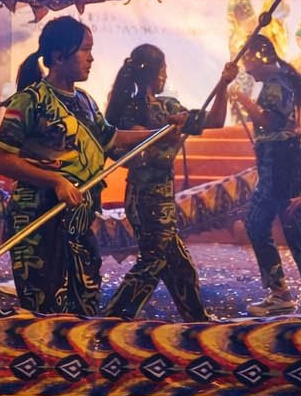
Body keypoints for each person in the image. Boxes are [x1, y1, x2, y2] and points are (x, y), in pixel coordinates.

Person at [0, 16, 155, 396]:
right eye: (84, 50)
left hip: (78, 225)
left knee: (79, 323)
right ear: (58, 56)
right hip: (37, 225)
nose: (91, 57)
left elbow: (109, 140)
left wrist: (157, 134)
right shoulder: (30, 102)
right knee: (44, 329)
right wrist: (55, 180)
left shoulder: (82, 101)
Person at [101, 45, 237, 322]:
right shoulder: (128, 111)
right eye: (163, 68)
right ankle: (113, 319)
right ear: (156, 72)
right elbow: (128, 153)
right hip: (145, 197)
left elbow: (216, 120)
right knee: (153, 261)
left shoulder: (170, 107)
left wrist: (223, 85)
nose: (165, 74)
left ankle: (197, 320)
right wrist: (164, 133)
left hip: (160, 197)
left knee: (180, 266)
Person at [229, 34, 301, 316]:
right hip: (276, 163)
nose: (245, 64)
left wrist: (242, 99)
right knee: (262, 223)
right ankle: (286, 292)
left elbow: (268, 120)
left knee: (284, 226)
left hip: (282, 164)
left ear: (259, 57)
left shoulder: (277, 84)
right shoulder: (280, 80)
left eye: (247, 57)